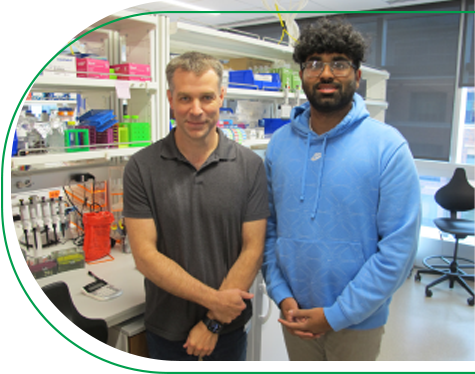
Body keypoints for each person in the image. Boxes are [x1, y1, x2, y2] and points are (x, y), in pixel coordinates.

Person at [262, 18, 421, 362]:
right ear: (302, 74)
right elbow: (269, 230)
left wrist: (336, 315)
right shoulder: (279, 146)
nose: (326, 74)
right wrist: (282, 295)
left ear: (357, 75)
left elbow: (399, 249)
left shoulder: (387, 147)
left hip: (358, 322)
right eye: (314, 63)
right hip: (295, 315)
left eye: (339, 63)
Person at [123, 51, 269, 362]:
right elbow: (146, 257)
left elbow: (252, 249)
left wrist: (212, 324)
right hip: (166, 330)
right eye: (185, 98)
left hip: (227, 332)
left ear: (221, 97)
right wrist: (215, 302)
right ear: (170, 99)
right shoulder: (141, 167)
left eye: (206, 97)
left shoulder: (250, 166)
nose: (196, 110)